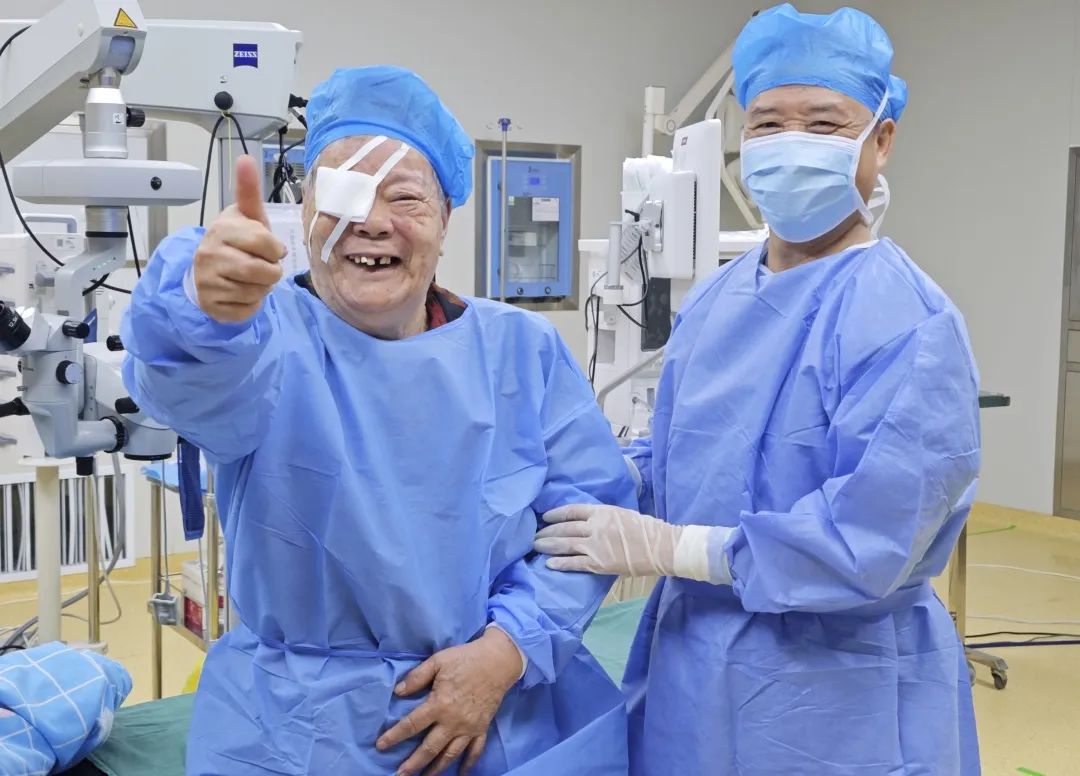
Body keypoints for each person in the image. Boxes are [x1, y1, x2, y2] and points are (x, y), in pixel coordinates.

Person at [122, 65, 635, 775]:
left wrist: (507, 651)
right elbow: (194, 386)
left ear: (446, 220)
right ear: (306, 210)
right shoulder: (262, 339)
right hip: (299, 733)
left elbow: (587, 521)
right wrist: (202, 310)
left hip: (502, 719)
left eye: (406, 197)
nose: (372, 221)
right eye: (345, 193)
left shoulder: (521, 351)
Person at [534, 5, 982, 775]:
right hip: (692, 673)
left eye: (824, 123)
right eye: (768, 123)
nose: (790, 142)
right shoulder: (717, 300)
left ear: (881, 140)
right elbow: (676, 457)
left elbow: (870, 540)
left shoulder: (908, 321)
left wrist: (679, 547)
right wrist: (577, 481)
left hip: (837, 693)